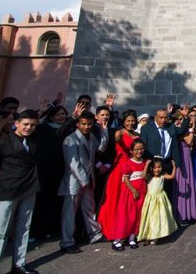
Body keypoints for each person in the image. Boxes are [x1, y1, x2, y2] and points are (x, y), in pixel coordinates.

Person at [58, 111, 108, 254]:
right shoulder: (70, 139)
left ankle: (95, 234)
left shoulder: (91, 137)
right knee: (69, 213)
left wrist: (104, 131)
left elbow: (101, 148)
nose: (86, 127)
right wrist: (84, 180)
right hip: (74, 181)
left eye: (89, 124)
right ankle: (67, 242)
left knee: (89, 209)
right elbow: (72, 164)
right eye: (83, 124)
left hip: (88, 180)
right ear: (78, 124)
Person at [0, 109, 40, 274]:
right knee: (1, 231)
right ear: (17, 123)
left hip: (29, 188)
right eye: (26, 124)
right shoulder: (4, 142)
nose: (29, 128)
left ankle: (19, 264)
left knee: (23, 228)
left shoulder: (34, 141)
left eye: (33, 125)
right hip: (8, 190)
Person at [98, 111, 140, 240]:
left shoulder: (137, 135)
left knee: (128, 201)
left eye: (132, 121)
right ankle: (111, 228)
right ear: (123, 122)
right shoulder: (119, 133)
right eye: (128, 121)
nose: (130, 123)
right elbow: (113, 143)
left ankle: (128, 228)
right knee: (115, 198)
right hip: (119, 168)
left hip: (132, 168)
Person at [30, 105, 67, 239]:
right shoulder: (44, 128)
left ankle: (52, 228)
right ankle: (36, 231)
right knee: (41, 201)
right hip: (45, 168)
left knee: (56, 199)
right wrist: (39, 112)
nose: (61, 116)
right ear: (51, 117)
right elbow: (32, 126)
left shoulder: (68, 129)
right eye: (58, 114)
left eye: (63, 114)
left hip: (60, 168)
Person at [140, 108, 190, 200]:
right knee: (153, 190)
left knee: (166, 191)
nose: (163, 120)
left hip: (167, 163)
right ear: (156, 117)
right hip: (153, 164)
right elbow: (144, 146)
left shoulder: (170, 126)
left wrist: (185, 116)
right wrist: (148, 163)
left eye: (165, 118)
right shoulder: (146, 128)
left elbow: (182, 130)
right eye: (161, 118)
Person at [110, 139, 149, 251]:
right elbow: (126, 179)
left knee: (137, 215)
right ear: (131, 151)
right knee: (126, 215)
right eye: (136, 149)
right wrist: (133, 190)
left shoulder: (143, 162)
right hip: (130, 193)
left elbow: (145, 177)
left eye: (141, 149)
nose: (139, 151)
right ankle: (117, 239)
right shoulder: (128, 163)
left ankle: (132, 236)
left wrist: (146, 166)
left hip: (142, 192)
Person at [137, 159, 177, 245]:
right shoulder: (149, 177)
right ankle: (148, 236)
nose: (157, 169)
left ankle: (155, 236)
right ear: (151, 168)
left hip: (160, 200)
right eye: (155, 168)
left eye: (159, 167)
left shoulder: (162, 175)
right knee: (149, 218)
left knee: (157, 218)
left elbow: (171, 177)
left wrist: (174, 167)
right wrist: (146, 165)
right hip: (150, 201)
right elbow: (143, 176)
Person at [172, 108, 196, 226]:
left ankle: (190, 213)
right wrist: (192, 128)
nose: (180, 121)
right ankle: (181, 214)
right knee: (182, 183)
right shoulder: (177, 131)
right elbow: (188, 141)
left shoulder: (183, 130)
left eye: (181, 119)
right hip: (181, 157)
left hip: (187, 156)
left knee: (189, 182)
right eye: (178, 119)